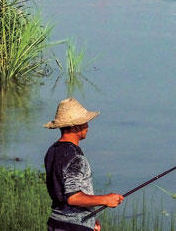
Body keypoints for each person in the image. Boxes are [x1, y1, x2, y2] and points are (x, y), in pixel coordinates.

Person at [44, 98, 123, 231]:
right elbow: (73, 197)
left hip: (55, 222)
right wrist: (106, 199)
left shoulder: (52, 150)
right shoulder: (76, 157)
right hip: (73, 226)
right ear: (76, 126)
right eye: (85, 122)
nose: (87, 126)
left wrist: (91, 220)